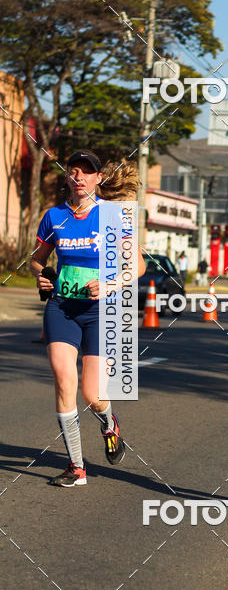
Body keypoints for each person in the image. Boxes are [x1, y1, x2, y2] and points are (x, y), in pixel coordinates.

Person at [30, 152, 146, 487]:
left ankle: (109, 422)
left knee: (92, 395)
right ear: (67, 176)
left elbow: (137, 267)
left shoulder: (112, 216)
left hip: (101, 312)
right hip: (62, 307)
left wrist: (111, 284)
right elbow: (36, 260)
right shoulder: (54, 217)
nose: (79, 176)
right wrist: (42, 275)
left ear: (98, 178)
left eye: (87, 172)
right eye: (74, 170)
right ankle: (76, 467)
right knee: (64, 380)